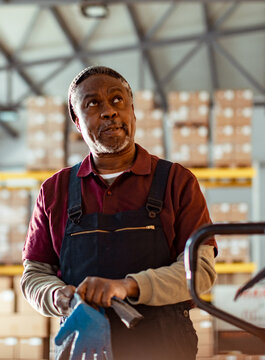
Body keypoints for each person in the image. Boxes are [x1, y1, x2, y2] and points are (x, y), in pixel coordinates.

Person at [21, 65, 217, 360]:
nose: (109, 111)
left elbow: (200, 272)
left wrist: (127, 286)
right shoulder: (55, 190)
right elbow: (34, 274)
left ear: (133, 112)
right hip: (82, 347)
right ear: (77, 121)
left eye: (117, 100)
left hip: (162, 348)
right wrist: (57, 296)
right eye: (93, 104)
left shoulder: (177, 182)